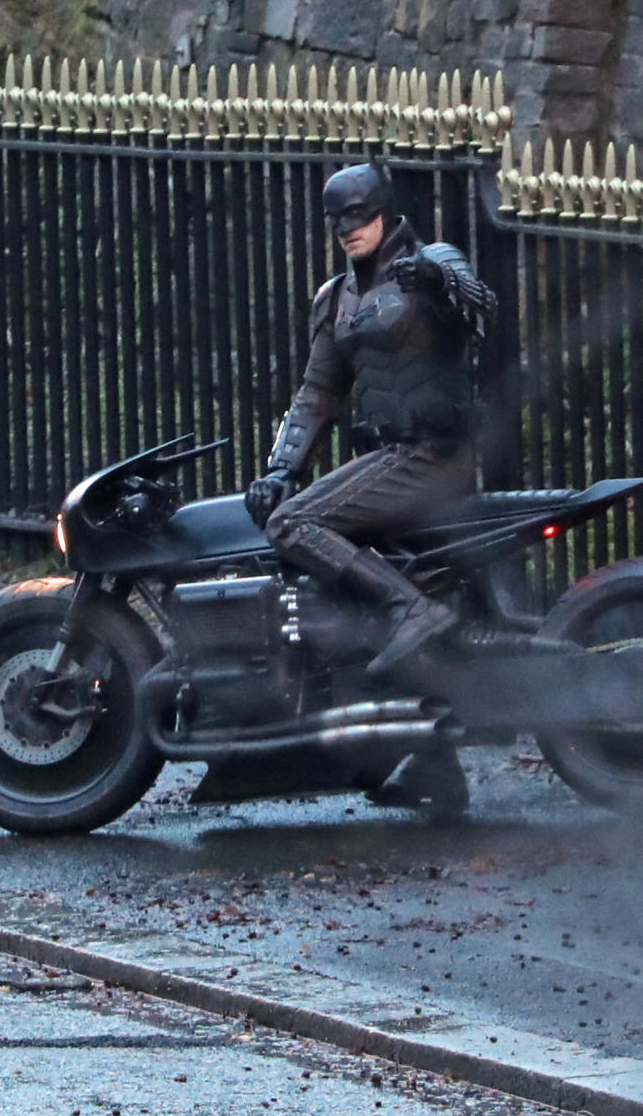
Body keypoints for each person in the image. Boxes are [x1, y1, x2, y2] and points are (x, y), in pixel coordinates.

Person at [245, 163, 496, 806]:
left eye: (358, 214)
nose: (348, 228)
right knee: (356, 605)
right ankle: (435, 763)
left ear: (384, 210)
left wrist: (439, 280)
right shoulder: (336, 299)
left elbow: (481, 306)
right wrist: (282, 466)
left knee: (293, 526)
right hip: (386, 462)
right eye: (337, 219)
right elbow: (318, 392)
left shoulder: (430, 264)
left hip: (432, 457)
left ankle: (412, 610)